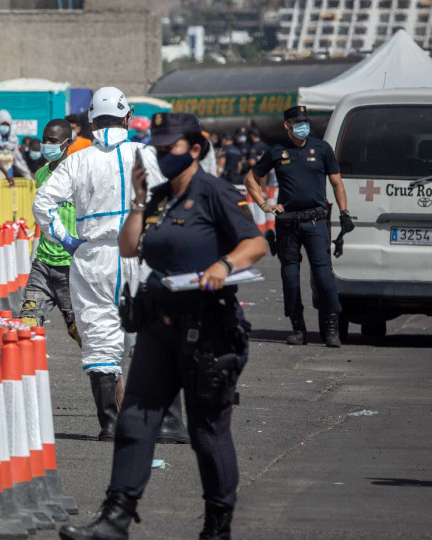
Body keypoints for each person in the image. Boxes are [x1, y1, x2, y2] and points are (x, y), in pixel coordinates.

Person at [58, 112, 266, 540]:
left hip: (208, 328)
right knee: (136, 421)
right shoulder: (154, 197)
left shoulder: (215, 192)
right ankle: (115, 519)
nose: (159, 155)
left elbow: (256, 242)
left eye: (168, 148)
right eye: (155, 147)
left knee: (207, 430)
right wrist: (137, 200)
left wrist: (224, 265)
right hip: (159, 324)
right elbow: (130, 245)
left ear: (193, 149)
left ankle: (217, 525)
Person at [32, 87, 166, 441]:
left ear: (91, 121)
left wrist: (67, 240)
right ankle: (157, 422)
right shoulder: (145, 154)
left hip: (93, 255)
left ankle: (110, 424)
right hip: (140, 253)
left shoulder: (78, 159)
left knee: (99, 338)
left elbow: (43, 204)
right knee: (151, 335)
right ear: (128, 117)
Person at [243, 106, 353, 348]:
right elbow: (250, 179)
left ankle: (331, 326)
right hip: (288, 224)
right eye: (297, 122)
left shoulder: (322, 149)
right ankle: (297, 327)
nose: (303, 126)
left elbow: (337, 183)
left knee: (324, 276)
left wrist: (344, 213)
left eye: (305, 121)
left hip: (315, 222)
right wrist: (265, 205)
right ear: (287, 125)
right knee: (290, 277)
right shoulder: (277, 151)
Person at [20, 119, 80, 345]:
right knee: (27, 325)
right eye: (44, 140)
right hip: (43, 263)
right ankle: (28, 378)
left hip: (71, 266)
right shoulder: (41, 173)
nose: (46, 145)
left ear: (67, 143)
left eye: (52, 141)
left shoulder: (78, 174)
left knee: (80, 331)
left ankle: (112, 379)